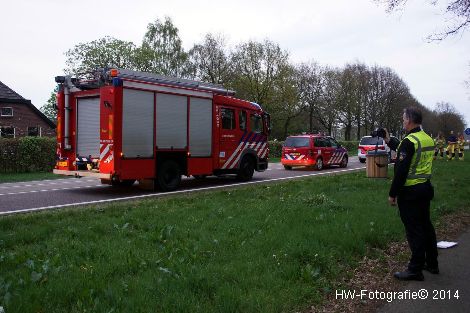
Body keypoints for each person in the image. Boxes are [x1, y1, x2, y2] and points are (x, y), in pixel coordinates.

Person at [384, 107, 438, 281]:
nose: (402, 120)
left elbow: (401, 170)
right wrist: (388, 139)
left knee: (414, 231)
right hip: (425, 189)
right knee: (426, 227)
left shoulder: (409, 141)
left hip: (410, 193)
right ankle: (432, 263)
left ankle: (415, 269)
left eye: (403, 118)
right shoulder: (427, 138)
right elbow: (405, 151)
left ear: (409, 120)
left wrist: (392, 194)